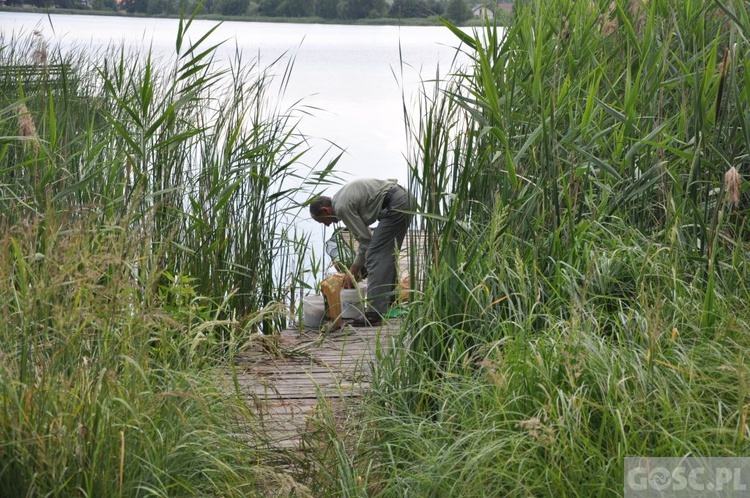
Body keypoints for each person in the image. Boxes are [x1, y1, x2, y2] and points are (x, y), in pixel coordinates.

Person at [310, 178, 414, 325]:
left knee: (374, 255)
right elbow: (366, 236)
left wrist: (352, 271)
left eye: (322, 221)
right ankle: (390, 300)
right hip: (401, 199)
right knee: (385, 254)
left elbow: (366, 242)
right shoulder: (340, 198)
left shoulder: (341, 208)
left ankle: (374, 314)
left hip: (396, 204)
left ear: (325, 210)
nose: (326, 225)